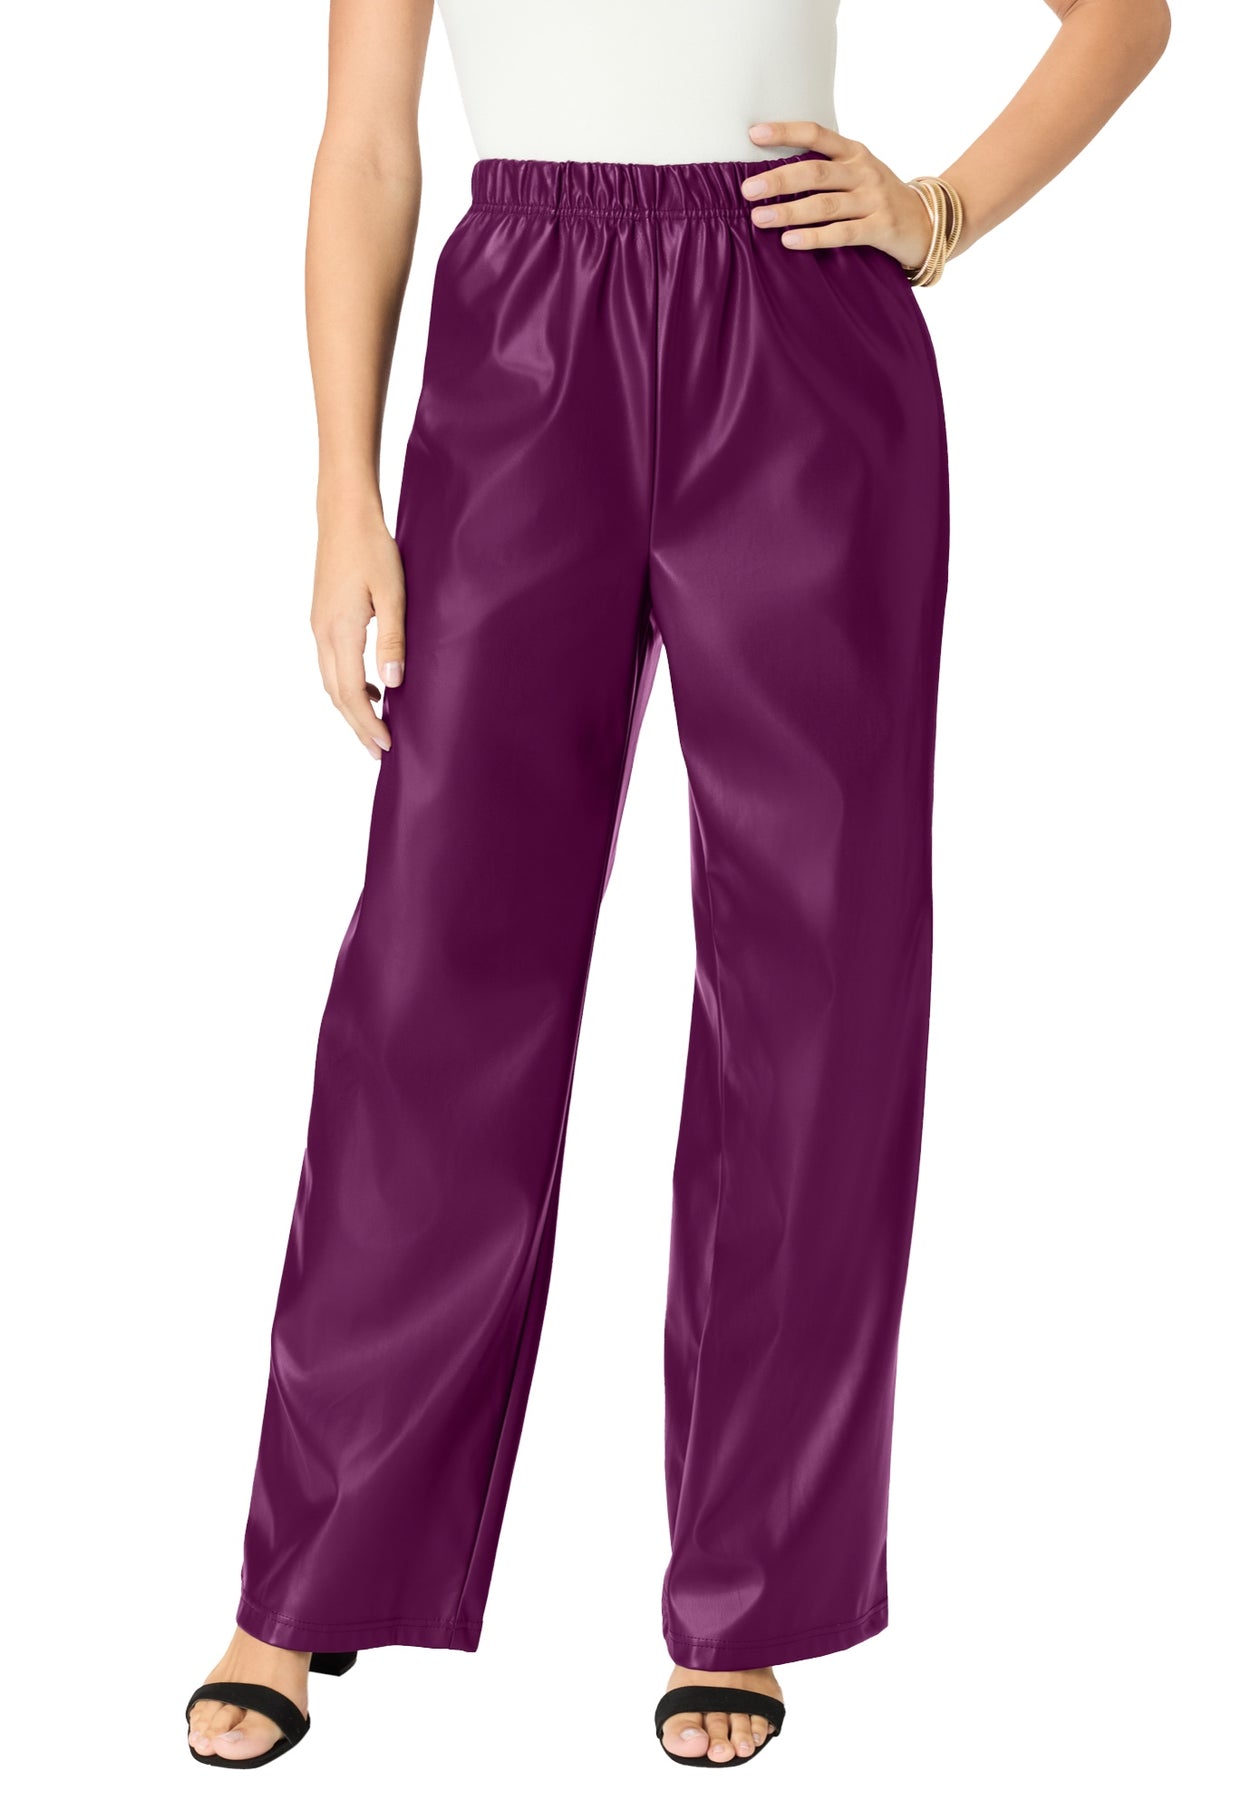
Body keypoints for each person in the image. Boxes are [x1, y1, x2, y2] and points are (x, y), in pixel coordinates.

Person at [185, 0, 1170, 1771]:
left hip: (798, 338)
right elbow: (370, 147)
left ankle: (751, 1592)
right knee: (433, 973)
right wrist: (344, 493)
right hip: (521, 337)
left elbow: (1125, 18)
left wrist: (940, 212)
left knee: (817, 976)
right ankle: (311, 1571)